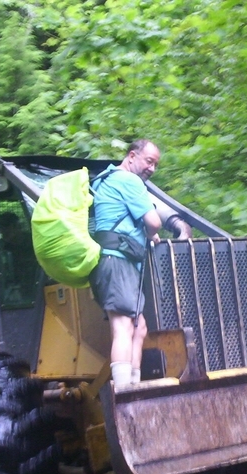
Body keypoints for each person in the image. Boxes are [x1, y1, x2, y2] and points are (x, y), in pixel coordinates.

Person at [90, 139, 163, 389]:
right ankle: (123, 394)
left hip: (115, 261)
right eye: (149, 161)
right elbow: (154, 222)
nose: (152, 168)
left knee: (138, 327)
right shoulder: (128, 180)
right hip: (117, 260)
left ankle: (134, 386)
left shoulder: (105, 180)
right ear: (132, 156)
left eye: (155, 164)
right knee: (123, 326)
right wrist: (151, 230)